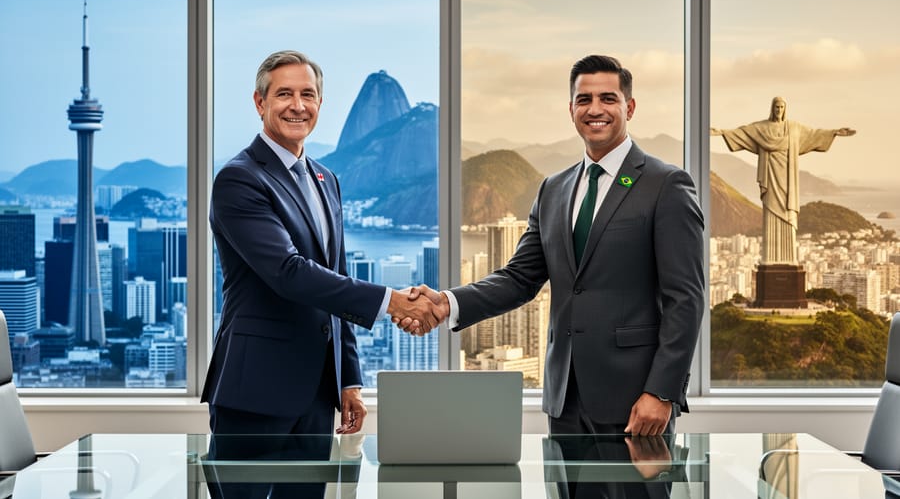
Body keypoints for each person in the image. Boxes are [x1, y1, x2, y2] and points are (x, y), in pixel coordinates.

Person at [408, 54, 704, 436]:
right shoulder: (554, 189)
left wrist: (661, 391)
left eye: (608, 99)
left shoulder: (666, 185)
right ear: (571, 110)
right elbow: (519, 278)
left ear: (629, 107)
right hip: (564, 400)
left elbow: (686, 298)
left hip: (636, 401)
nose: (595, 109)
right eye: (584, 100)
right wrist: (446, 303)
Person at [202, 50, 436, 498]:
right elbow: (288, 272)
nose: (298, 105)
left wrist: (348, 378)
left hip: (315, 396)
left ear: (320, 103)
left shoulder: (326, 179)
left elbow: (335, 277)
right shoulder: (239, 178)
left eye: (307, 94)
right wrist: (391, 301)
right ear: (260, 102)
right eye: (284, 94)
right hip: (253, 391)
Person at [710, 97, 855, 264]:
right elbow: (743, 132)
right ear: (772, 108)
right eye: (776, 107)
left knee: (787, 212)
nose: (779, 110)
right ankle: (771, 258)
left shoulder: (794, 128)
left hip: (788, 179)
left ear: (785, 109)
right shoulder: (762, 128)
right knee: (771, 212)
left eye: (781, 107)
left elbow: (814, 134)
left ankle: (788, 258)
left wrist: (834, 132)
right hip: (770, 177)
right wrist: (722, 132)